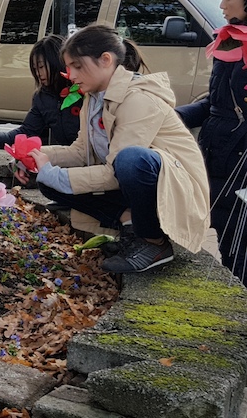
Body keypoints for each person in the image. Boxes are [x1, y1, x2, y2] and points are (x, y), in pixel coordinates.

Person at [26, 24, 209, 274]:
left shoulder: (138, 98)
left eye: (77, 66)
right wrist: (41, 158)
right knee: (47, 181)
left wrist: (55, 172)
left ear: (106, 60)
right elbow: (81, 151)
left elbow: (116, 170)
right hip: (134, 184)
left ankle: (154, 243)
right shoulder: (93, 97)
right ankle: (129, 222)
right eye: (69, 67)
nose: (70, 74)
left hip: (174, 190)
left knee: (130, 159)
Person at [176, 0, 247, 285]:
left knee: (239, 242)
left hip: (240, 161)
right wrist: (171, 118)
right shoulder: (230, 41)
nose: (221, 5)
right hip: (218, 157)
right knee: (227, 235)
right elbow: (213, 103)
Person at [0, 35, 78, 148]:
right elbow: (24, 133)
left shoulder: (82, 91)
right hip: (68, 156)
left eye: (41, 67)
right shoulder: (42, 98)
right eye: (35, 69)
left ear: (57, 62)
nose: (38, 73)